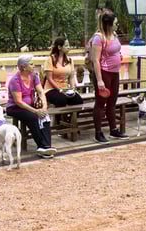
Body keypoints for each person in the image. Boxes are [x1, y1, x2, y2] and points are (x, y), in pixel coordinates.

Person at [6, 54, 56, 158]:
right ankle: (42, 146)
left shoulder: (34, 76)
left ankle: (46, 146)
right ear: (24, 67)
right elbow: (18, 101)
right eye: (31, 64)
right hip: (15, 108)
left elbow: (41, 92)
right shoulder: (15, 80)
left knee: (44, 116)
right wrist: (35, 111)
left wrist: (44, 108)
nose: (34, 66)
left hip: (30, 106)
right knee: (33, 117)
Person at [90, 11, 129, 143]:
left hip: (115, 72)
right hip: (104, 72)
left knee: (112, 102)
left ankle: (113, 129)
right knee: (101, 103)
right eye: (115, 23)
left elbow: (116, 50)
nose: (117, 25)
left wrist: (118, 56)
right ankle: (98, 132)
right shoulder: (98, 38)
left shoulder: (114, 35)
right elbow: (95, 60)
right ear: (109, 24)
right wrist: (100, 80)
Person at [41, 38, 82, 107]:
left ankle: (71, 117)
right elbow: (49, 78)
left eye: (69, 45)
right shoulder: (50, 59)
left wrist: (73, 89)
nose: (69, 47)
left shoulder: (70, 60)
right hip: (51, 89)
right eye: (66, 46)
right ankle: (58, 117)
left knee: (78, 100)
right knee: (61, 100)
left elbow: (71, 78)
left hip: (65, 88)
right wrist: (60, 89)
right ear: (59, 47)